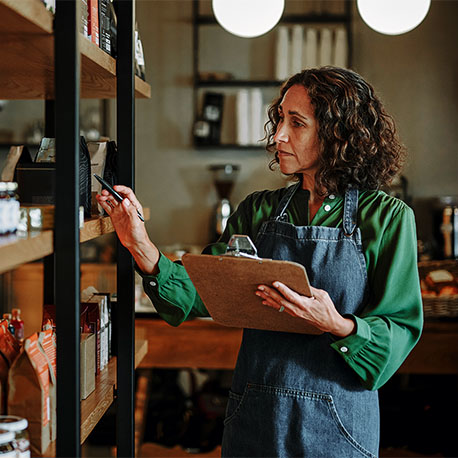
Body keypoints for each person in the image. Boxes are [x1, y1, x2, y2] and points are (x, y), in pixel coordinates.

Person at [97, 66, 423, 457]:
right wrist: (139, 243)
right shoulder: (258, 211)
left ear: (338, 134)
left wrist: (335, 323)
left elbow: (399, 329)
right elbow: (198, 293)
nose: (278, 135)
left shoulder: (387, 218)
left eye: (296, 123)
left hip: (339, 427)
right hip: (256, 419)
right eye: (280, 119)